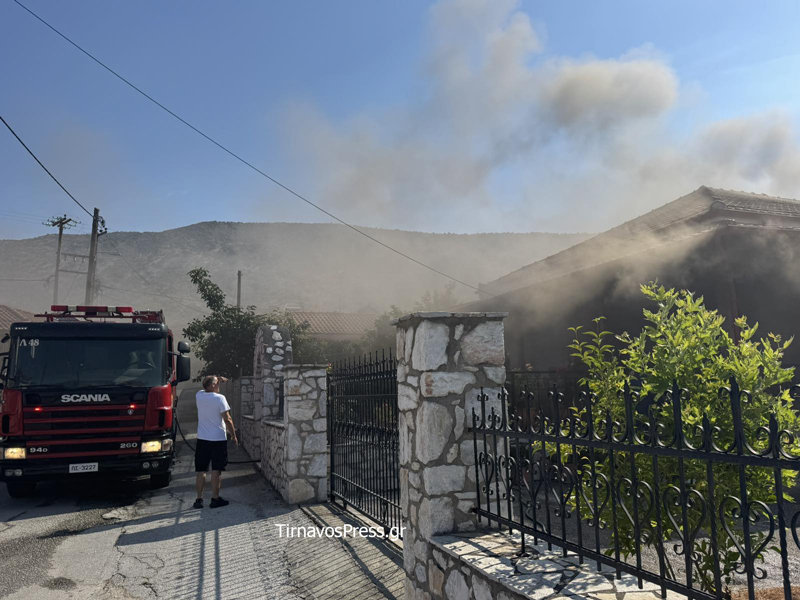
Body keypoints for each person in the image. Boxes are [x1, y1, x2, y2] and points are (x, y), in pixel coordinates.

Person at [194, 375, 238, 509]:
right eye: (217, 383)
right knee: (216, 470)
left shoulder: (199, 395)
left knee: (201, 470)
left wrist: (217, 378)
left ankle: (199, 500)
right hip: (218, 439)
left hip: (202, 439)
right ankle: (215, 499)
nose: (219, 385)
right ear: (212, 385)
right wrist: (234, 436)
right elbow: (227, 419)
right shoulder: (220, 398)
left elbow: (208, 384)